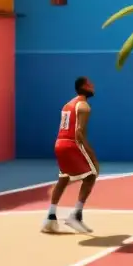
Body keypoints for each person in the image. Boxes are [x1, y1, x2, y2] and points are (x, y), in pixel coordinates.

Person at [42, 77, 99, 234]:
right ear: (83, 87)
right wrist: (92, 155)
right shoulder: (84, 106)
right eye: (90, 84)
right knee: (92, 174)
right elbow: (79, 133)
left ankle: (50, 217)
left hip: (59, 143)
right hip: (71, 143)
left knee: (64, 178)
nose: (93, 86)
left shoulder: (67, 105)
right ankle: (76, 215)